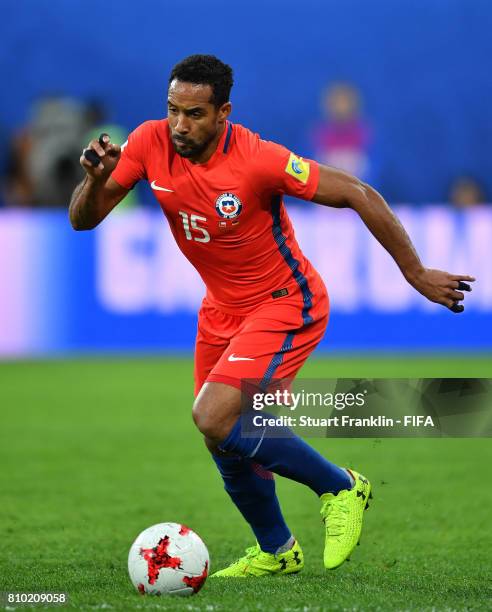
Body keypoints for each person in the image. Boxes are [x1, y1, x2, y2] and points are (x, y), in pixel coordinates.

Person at [69, 55, 474, 577]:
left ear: (223, 113)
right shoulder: (149, 143)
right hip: (220, 311)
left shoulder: (257, 158)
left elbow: (357, 192)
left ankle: (342, 487)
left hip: (286, 302)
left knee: (213, 415)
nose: (179, 125)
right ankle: (277, 550)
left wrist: (414, 272)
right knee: (221, 434)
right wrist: (94, 181)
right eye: (172, 110)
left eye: (194, 113)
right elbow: (84, 221)